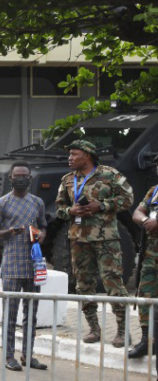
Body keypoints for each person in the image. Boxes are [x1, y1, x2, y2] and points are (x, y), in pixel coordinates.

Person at [55, 139, 133, 346]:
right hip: (78, 239)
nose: (70, 158)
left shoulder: (110, 174)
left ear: (87, 156)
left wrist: (103, 206)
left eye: (74, 154)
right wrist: (70, 211)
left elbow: (128, 199)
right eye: (70, 154)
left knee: (113, 283)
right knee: (83, 285)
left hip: (106, 239)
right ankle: (94, 329)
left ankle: (123, 331)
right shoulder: (68, 180)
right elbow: (59, 207)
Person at [0, 162, 47, 370]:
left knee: (31, 315)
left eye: (24, 175)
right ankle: (8, 356)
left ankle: (28, 356)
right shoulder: (1, 203)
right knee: (10, 315)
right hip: (12, 265)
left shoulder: (37, 202)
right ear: (10, 178)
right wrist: (9, 231)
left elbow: (43, 226)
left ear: (30, 178)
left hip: (33, 265)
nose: (20, 178)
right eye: (17, 175)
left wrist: (40, 236)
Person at [130, 153, 158, 359]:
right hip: (151, 255)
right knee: (145, 297)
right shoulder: (154, 191)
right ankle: (147, 341)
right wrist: (146, 219)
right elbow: (137, 213)